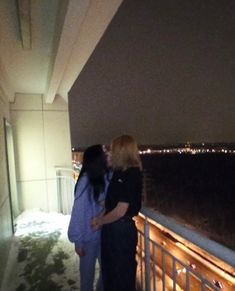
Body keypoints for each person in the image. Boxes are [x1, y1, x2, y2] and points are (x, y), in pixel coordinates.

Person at [92, 135, 143, 291]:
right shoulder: (120, 172)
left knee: (121, 275)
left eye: (113, 150)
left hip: (120, 231)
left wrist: (100, 221)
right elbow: (115, 202)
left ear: (121, 151)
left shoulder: (132, 174)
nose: (110, 153)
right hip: (114, 229)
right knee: (111, 272)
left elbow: (121, 210)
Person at [68, 144, 111, 291]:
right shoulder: (85, 182)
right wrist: (78, 241)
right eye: (105, 155)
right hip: (87, 238)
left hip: (103, 234)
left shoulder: (105, 177)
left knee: (107, 272)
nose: (108, 157)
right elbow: (78, 212)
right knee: (87, 277)